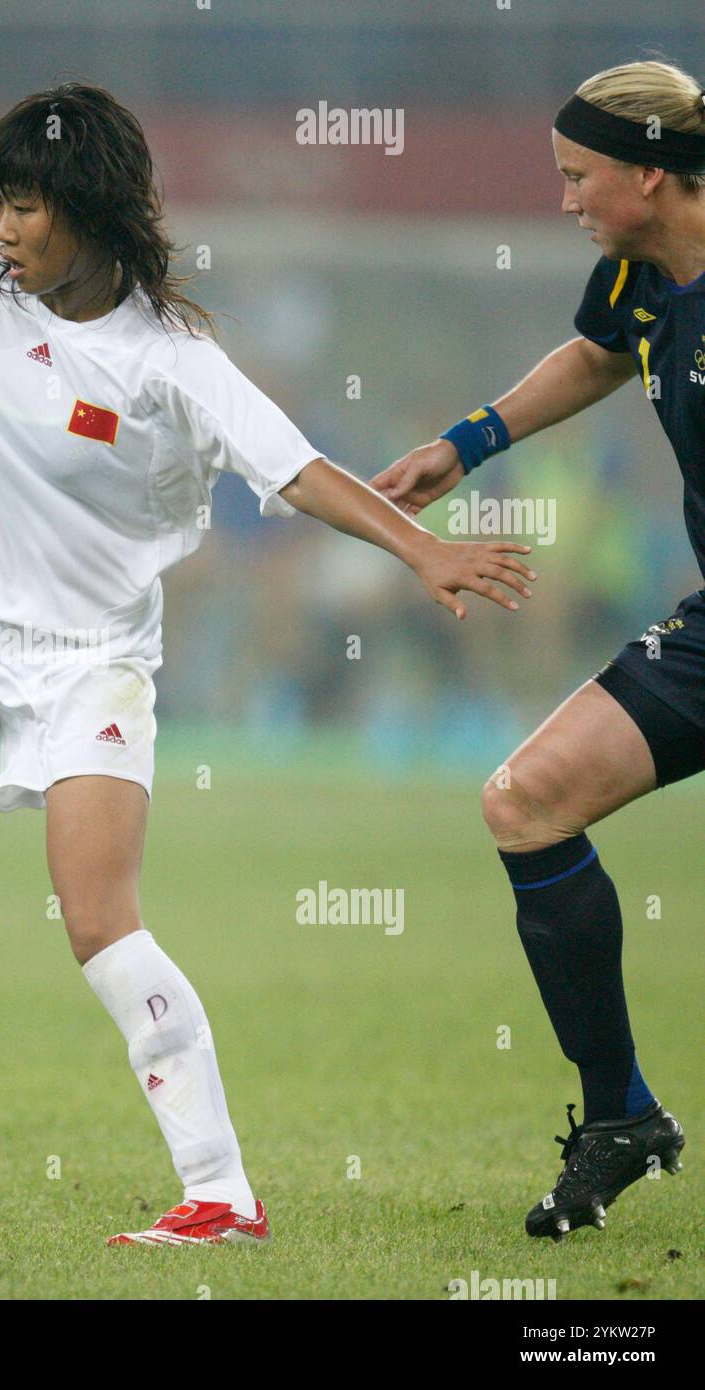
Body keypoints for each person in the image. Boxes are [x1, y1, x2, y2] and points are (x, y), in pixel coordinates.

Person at [0, 82, 532, 1246]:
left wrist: (420, 550)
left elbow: (298, 472)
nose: (6, 226)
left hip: (89, 661)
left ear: (88, 211)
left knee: (98, 920)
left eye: (28, 205)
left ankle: (221, 1194)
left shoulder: (171, 362)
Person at [373, 60, 701, 1242]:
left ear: (649, 173)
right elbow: (602, 351)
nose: (563, 200)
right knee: (526, 800)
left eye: (578, 176)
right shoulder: (641, 271)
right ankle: (620, 1117)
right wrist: (468, 442)